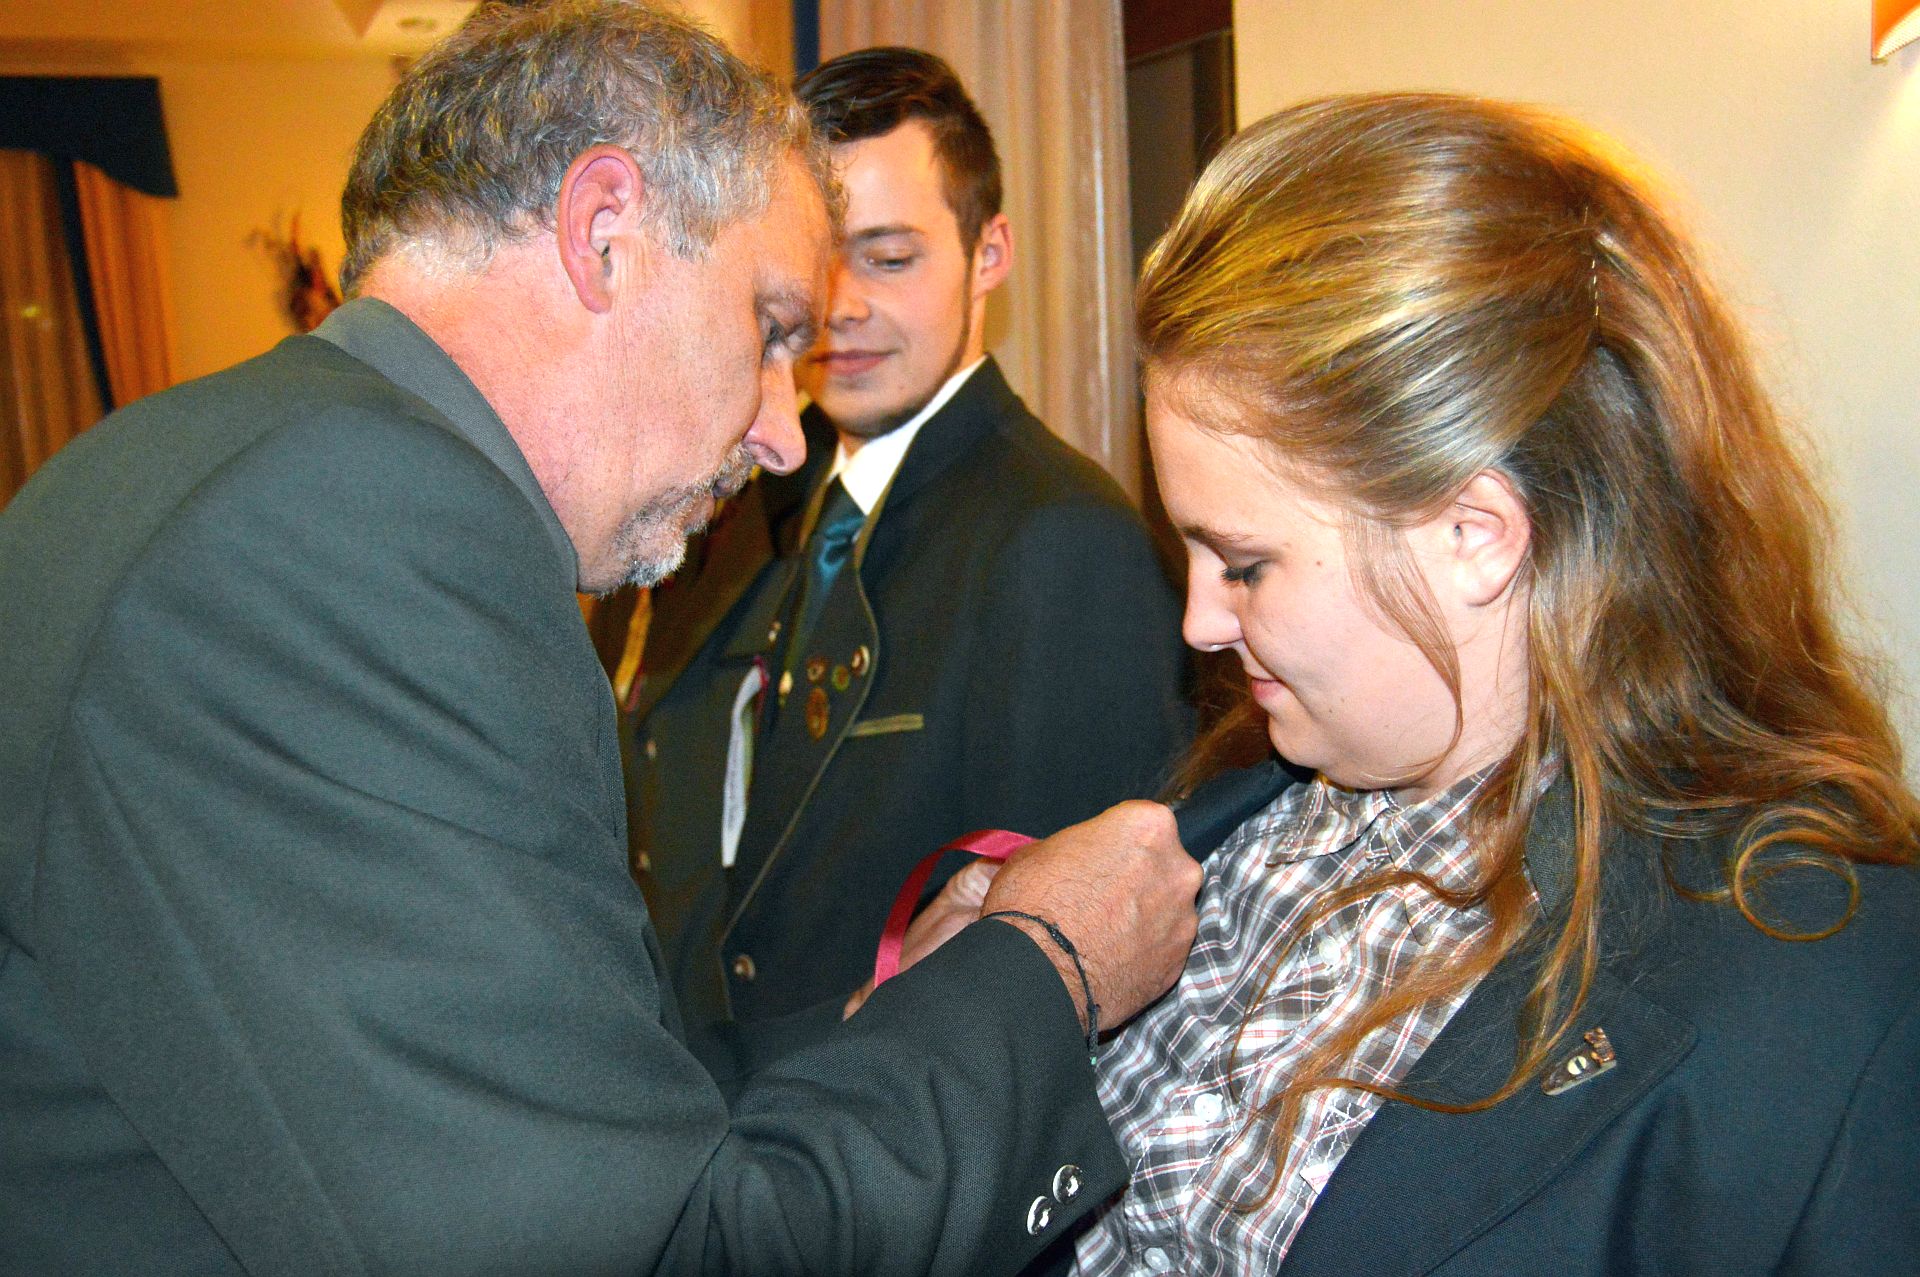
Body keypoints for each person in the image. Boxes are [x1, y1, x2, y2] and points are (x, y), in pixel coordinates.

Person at [0, 5, 1204, 1273]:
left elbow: (542, 1089)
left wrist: (885, 1016)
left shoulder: (174, 457)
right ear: (606, 232)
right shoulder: (375, 541)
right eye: (770, 328)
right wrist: (1046, 960)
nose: (782, 432)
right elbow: (652, 1242)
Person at [1003, 92, 1912, 1274]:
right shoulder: (1259, 799)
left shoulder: (1826, 1001)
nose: (1202, 621)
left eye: (1245, 562)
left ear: (1474, 535)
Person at [624, 46, 1189, 1073]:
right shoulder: (747, 489)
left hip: (887, 1122)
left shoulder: (1064, 538)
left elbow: (1067, 971)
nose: (840, 305)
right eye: (817, 259)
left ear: (989, 253)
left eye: (889, 259)